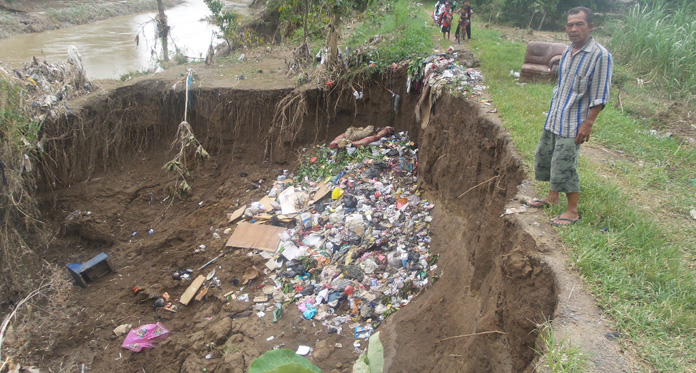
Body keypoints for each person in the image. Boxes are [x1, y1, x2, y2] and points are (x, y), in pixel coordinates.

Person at [528, 7, 613, 227]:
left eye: (579, 24)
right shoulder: (568, 51)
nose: (573, 29)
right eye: (570, 25)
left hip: (574, 122)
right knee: (548, 157)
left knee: (566, 164)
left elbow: (600, 95)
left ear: (591, 26)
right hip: (556, 117)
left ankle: (572, 212)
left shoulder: (600, 56)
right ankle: (552, 197)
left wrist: (588, 124)